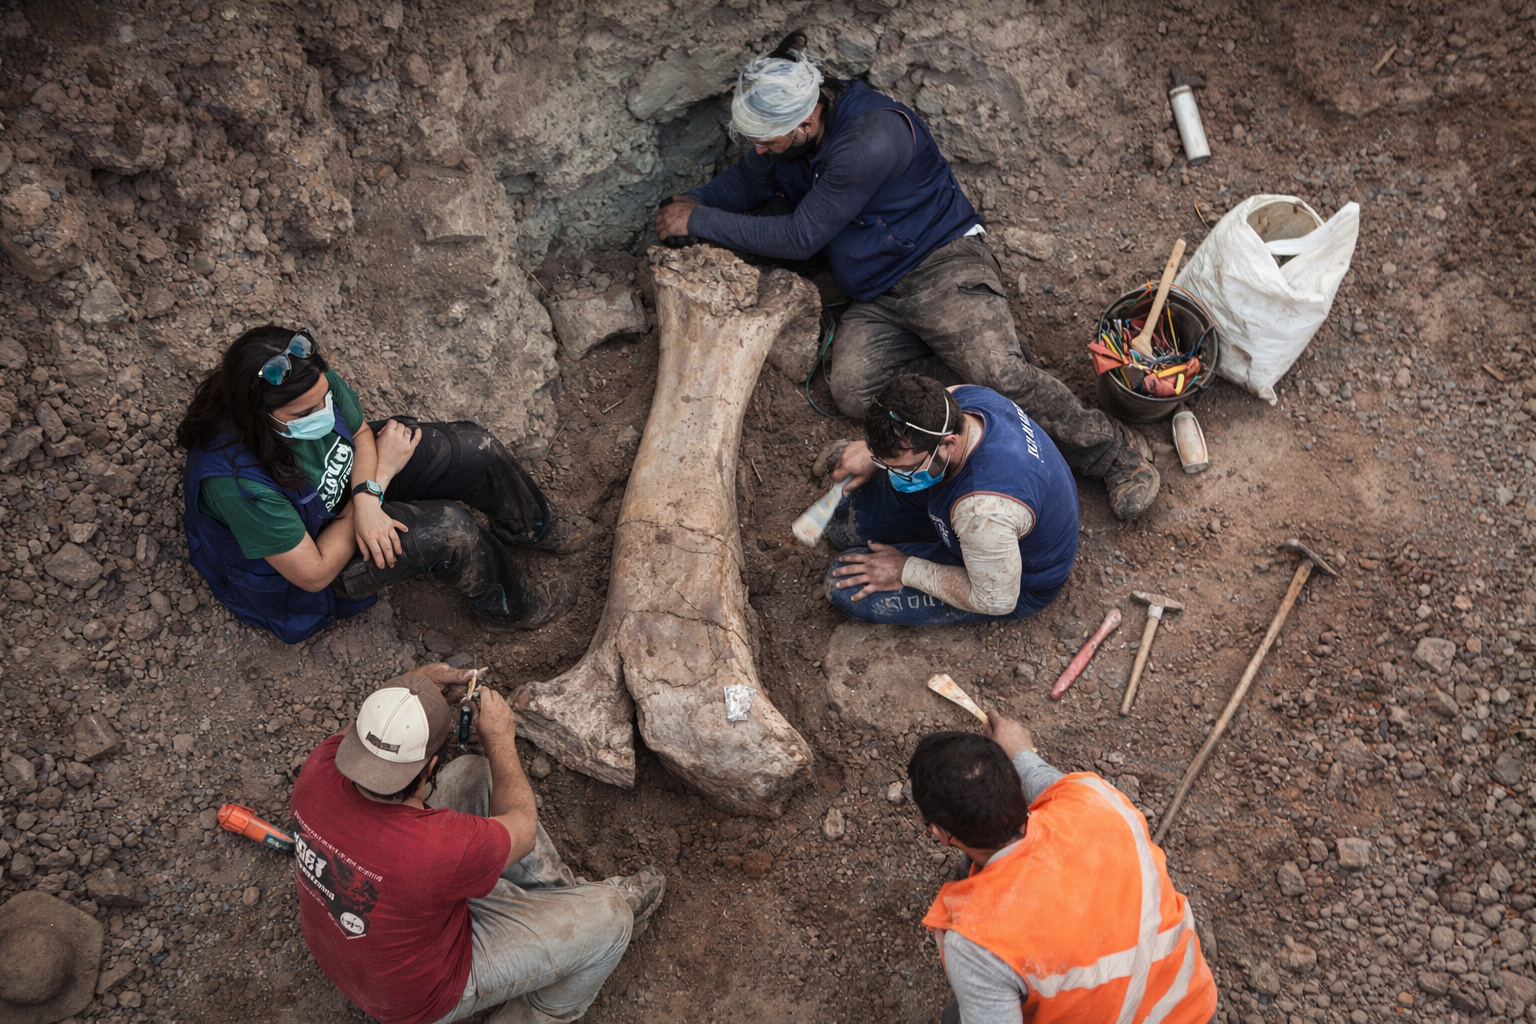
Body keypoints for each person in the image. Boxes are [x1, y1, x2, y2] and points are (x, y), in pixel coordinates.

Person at [653, 43, 1160, 521]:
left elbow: (801, 235)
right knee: (852, 389)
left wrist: (696, 223)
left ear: (806, 121)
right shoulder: (787, 142)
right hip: (878, 292)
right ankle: (973, 365)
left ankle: (1116, 456)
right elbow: (746, 181)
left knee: (1000, 373)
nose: (759, 151)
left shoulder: (870, 139)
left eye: (767, 141)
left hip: (942, 262)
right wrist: (693, 202)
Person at [290, 663, 665, 1024]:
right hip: (416, 999)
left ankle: (560, 898)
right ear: (430, 769)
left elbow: (368, 727)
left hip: (344, 953)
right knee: (613, 917)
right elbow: (523, 826)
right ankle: (540, 1011)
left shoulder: (318, 769)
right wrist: (501, 740)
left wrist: (415, 686)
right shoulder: (437, 846)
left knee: (473, 775)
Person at [177, 324, 596, 644]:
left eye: (326, 398)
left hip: (351, 493)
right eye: (305, 413)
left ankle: (532, 527)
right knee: (449, 530)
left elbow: (360, 435)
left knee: (475, 449)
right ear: (257, 414)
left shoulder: (304, 376)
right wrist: (375, 487)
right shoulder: (237, 482)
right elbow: (314, 573)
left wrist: (367, 497)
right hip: (317, 558)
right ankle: (509, 607)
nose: (325, 409)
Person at [909, 714, 1218, 1024]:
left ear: (939, 833)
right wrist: (1021, 752)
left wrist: (964, 958)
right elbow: (1036, 771)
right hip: (1190, 1008)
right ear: (1016, 786)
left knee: (955, 1017)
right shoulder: (1095, 798)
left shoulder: (978, 943)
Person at [823, 374, 1077, 627]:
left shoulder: (983, 511)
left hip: (1011, 580)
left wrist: (906, 570)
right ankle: (934, 520)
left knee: (842, 583)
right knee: (840, 524)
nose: (894, 473)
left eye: (903, 467)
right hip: (983, 517)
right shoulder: (955, 402)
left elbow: (998, 599)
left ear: (948, 444)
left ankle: (941, 544)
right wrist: (873, 453)